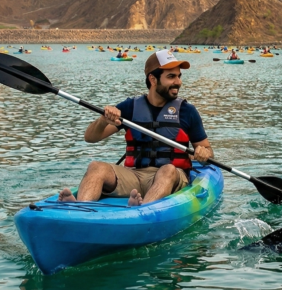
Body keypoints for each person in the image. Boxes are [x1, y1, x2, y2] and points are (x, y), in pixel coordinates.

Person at [58, 50, 214, 206]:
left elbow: (208, 152)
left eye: (179, 76)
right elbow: (90, 138)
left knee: (168, 170)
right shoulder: (131, 107)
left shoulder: (187, 111)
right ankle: (80, 208)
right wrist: (103, 120)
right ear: (153, 79)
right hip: (134, 175)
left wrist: (204, 153)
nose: (178, 82)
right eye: (171, 77)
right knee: (96, 167)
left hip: (171, 177)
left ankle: (141, 212)